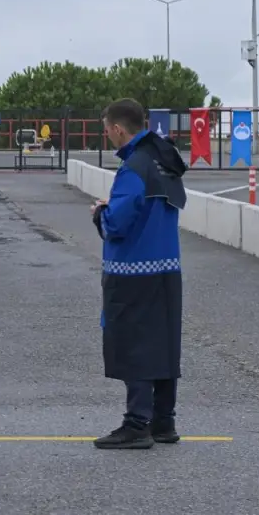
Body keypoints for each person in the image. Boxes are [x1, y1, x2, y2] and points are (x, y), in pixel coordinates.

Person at [90, 98, 187, 450]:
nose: (107, 137)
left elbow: (118, 223)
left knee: (135, 345)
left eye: (107, 131)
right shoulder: (165, 159)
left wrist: (100, 212)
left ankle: (136, 423)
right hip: (167, 268)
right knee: (163, 342)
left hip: (132, 271)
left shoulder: (134, 167)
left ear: (118, 129)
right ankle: (164, 420)